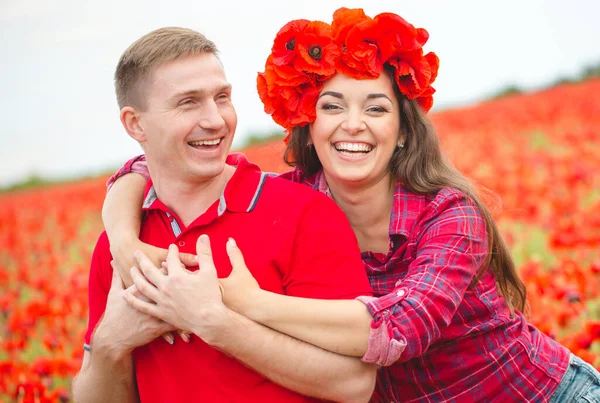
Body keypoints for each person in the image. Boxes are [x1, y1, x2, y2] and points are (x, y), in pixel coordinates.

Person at [105, 8, 600, 403]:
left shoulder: (451, 215)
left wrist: (241, 304)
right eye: (332, 106)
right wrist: (125, 242)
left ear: (404, 130)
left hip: (545, 395)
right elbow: (153, 166)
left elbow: (399, 332)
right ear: (308, 123)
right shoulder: (294, 202)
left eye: (376, 108)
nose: (353, 124)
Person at [71, 26, 378, 403]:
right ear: (135, 124)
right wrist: (108, 344)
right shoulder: (121, 245)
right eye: (188, 103)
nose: (215, 120)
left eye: (222, 97)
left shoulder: (302, 213)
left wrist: (216, 324)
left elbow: (356, 385)